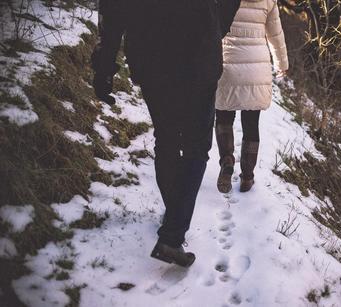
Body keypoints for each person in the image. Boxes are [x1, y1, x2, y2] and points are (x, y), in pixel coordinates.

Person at [91, 0, 240, 267]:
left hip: (151, 55)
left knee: (167, 138)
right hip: (198, 51)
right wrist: (217, 25)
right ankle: (172, 233)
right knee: (196, 147)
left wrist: (104, 63)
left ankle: (174, 217)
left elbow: (113, 9)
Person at [215, 0, 289, 193]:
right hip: (257, 69)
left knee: (223, 117)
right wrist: (282, 63)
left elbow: (209, 25)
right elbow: (275, 34)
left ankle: (227, 161)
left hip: (227, 62)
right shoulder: (268, 1)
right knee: (251, 124)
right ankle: (247, 177)